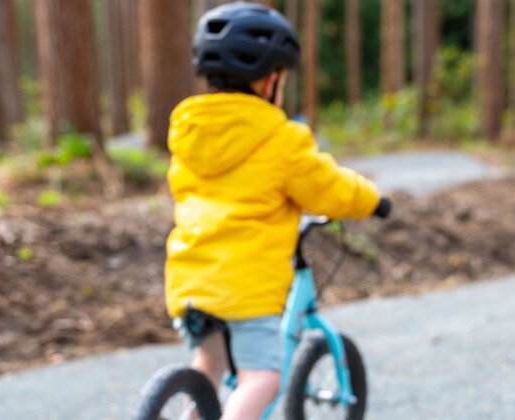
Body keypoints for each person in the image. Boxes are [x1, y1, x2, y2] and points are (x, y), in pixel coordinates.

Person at [164, 3, 389, 418]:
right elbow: (327, 188)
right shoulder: (279, 138)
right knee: (262, 380)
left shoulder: (189, 134)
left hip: (188, 280)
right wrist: (371, 199)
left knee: (210, 368)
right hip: (244, 288)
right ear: (270, 81)